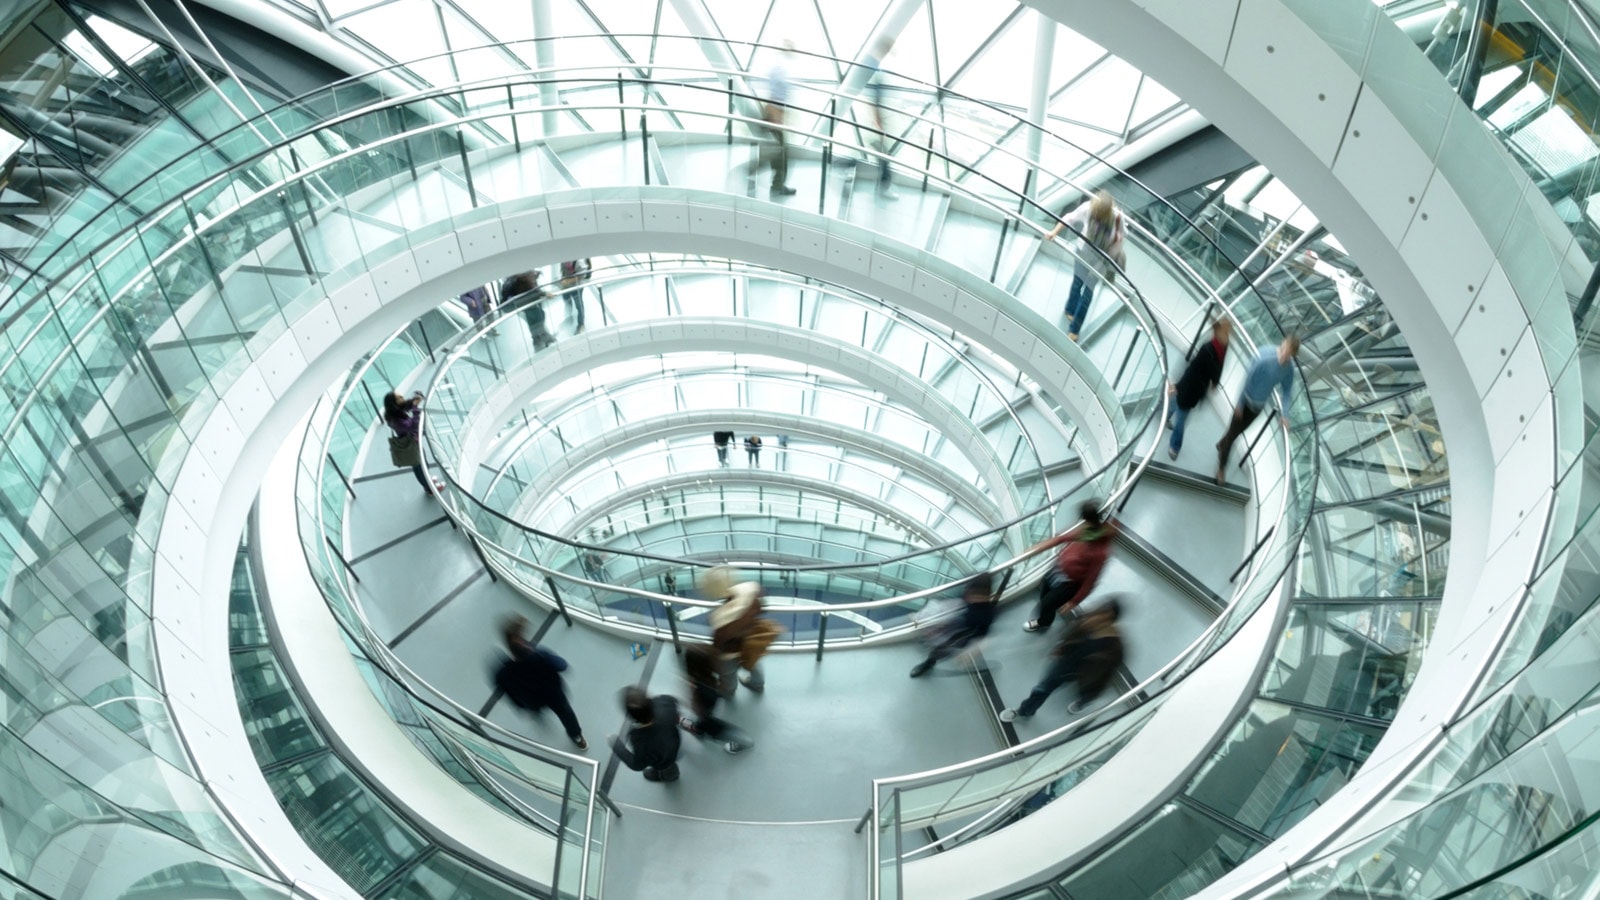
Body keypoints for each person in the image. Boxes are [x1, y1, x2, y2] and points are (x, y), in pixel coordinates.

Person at [1001, 597, 1125, 720]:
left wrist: (1092, 690)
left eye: (1104, 617)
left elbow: (1105, 675)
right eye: (1099, 613)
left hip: (1085, 673)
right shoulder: (1087, 621)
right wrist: (1061, 648)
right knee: (1043, 688)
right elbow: (1071, 636)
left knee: (1086, 692)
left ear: (1111, 620)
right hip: (1065, 664)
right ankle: (1025, 711)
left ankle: (1083, 702)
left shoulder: (1113, 648)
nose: (1097, 618)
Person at [1021, 501, 1117, 633]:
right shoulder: (1085, 531)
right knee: (1044, 591)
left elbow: (1091, 580)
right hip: (1058, 570)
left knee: (1047, 604)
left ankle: (1044, 622)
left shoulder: (1099, 551)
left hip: (1069, 583)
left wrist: (1074, 601)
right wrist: (1036, 548)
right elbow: (1061, 538)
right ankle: (1046, 614)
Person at [1216, 334, 1299, 485]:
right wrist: (1240, 404)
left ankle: (1222, 444)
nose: (1284, 356)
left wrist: (1285, 415)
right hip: (1246, 402)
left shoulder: (1288, 369)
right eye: (1284, 351)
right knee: (1233, 436)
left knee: (1236, 433)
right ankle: (1221, 468)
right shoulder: (1264, 358)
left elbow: (1287, 391)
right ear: (1282, 344)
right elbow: (1248, 379)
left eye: (1289, 355)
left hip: (1257, 407)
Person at [494, 615, 587, 749]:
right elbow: (562, 665)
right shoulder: (540, 655)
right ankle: (576, 736)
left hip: (531, 701)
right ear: (522, 637)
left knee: (542, 711)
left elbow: (506, 691)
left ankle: (539, 716)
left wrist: (521, 706)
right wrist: (537, 652)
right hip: (554, 695)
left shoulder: (503, 672)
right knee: (566, 715)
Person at [1044, 191, 1126, 341]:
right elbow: (1069, 218)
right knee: (1078, 282)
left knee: (1087, 292)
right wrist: (1054, 232)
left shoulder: (1117, 217)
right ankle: (1070, 308)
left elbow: (1121, 236)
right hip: (1083, 252)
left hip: (1101, 259)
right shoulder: (1088, 208)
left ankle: (1075, 328)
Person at [704, 566, 781, 696]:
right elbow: (761, 608)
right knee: (754, 663)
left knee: (728, 675)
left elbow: (718, 643)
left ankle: (728, 692)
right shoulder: (751, 589)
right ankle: (757, 684)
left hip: (729, 654)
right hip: (751, 643)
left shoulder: (719, 617)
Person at [909, 572, 997, 677]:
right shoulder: (967, 596)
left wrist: (969, 652)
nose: (969, 597)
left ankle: (929, 663)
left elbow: (981, 634)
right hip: (951, 625)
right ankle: (930, 660)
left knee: (939, 651)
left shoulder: (985, 613)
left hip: (960, 635)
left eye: (974, 595)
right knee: (936, 647)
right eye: (970, 593)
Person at [1167, 318, 1232, 460]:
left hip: (1196, 390)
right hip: (1190, 388)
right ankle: (1174, 447)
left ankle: (1166, 416)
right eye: (1226, 333)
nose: (1227, 337)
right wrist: (1178, 386)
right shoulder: (1207, 349)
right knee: (1181, 418)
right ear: (1219, 332)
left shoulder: (1222, 348)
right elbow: (1192, 371)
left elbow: (1218, 368)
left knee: (1176, 406)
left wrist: (1215, 382)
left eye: (1228, 334)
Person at [678, 645, 755, 753]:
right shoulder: (711, 678)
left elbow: (699, 707)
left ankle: (744, 741)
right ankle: (698, 728)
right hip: (710, 702)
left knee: (714, 727)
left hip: (706, 710)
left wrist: (694, 704)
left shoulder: (702, 689)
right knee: (704, 721)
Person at [750, 42, 796, 197]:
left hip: (774, 112)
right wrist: (777, 118)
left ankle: (774, 181)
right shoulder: (781, 68)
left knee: (779, 150)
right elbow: (776, 94)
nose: (793, 51)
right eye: (790, 48)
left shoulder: (781, 66)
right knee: (782, 152)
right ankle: (774, 182)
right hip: (773, 113)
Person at [609, 687, 681, 782]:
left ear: (632, 717)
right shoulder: (664, 704)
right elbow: (673, 701)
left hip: (662, 760)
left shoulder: (640, 740)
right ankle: (671, 772)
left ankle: (670, 776)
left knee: (666, 766)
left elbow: (637, 764)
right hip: (674, 744)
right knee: (671, 760)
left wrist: (617, 747)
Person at [383, 389, 443, 496]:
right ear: (394, 403)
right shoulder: (396, 420)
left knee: (422, 462)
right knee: (419, 467)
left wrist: (413, 402)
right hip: (411, 445)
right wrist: (415, 409)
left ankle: (428, 481)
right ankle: (429, 488)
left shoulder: (394, 412)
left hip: (413, 442)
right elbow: (413, 426)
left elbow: (405, 406)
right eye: (399, 398)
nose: (402, 396)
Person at [860, 36, 898, 200]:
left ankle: (842, 167)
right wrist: (879, 123)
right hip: (875, 122)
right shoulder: (876, 67)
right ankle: (884, 188)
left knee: (881, 155)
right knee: (884, 157)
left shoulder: (873, 63)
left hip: (873, 120)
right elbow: (875, 99)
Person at [501, 270, 551, 350]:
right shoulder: (520, 279)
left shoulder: (518, 278)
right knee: (538, 319)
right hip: (528, 304)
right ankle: (542, 337)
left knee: (534, 320)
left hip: (526, 304)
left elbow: (533, 289)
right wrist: (543, 293)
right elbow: (532, 290)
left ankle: (537, 338)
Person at [558, 258, 592, 331]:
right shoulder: (563, 258)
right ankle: (568, 319)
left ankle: (581, 324)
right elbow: (563, 271)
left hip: (577, 287)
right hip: (566, 287)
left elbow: (582, 275)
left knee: (579, 305)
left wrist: (568, 281)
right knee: (567, 303)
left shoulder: (578, 261)